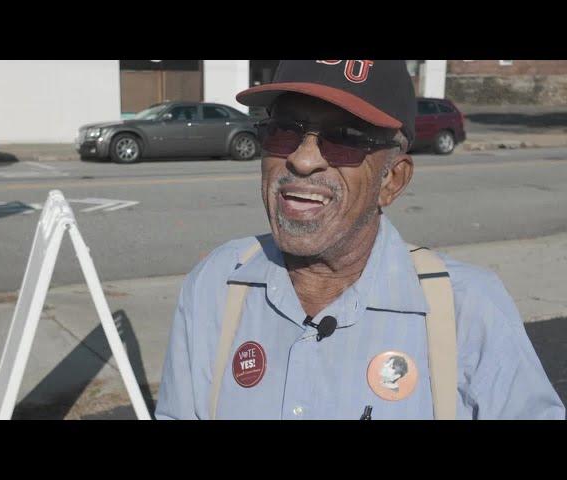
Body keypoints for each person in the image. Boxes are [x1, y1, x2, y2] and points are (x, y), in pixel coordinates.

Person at [155, 60, 565, 420]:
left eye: (345, 138)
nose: (303, 159)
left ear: (392, 179)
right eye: (284, 131)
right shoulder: (217, 285)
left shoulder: (468, 309)